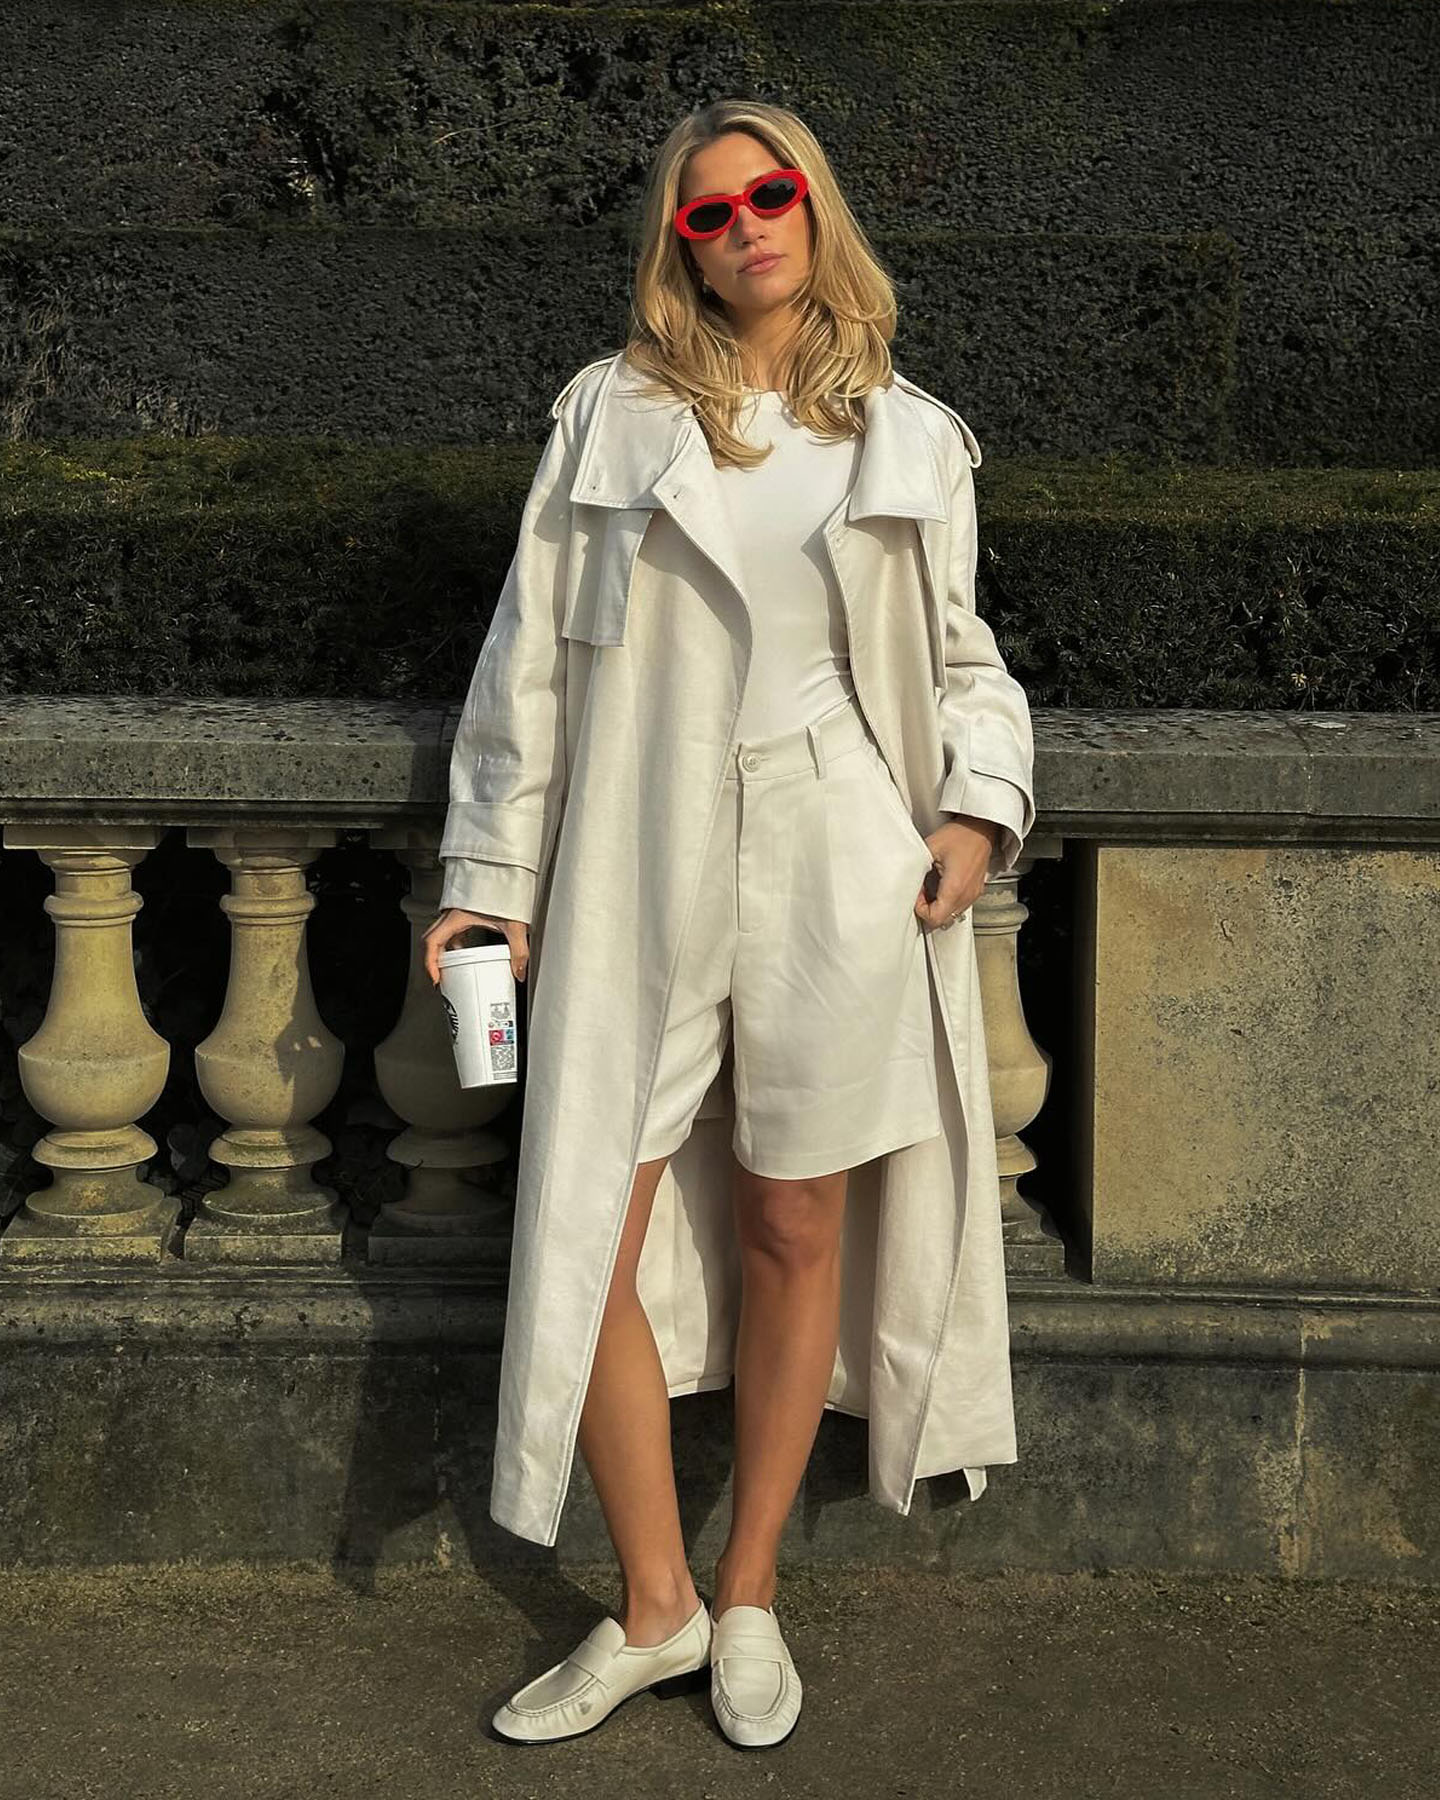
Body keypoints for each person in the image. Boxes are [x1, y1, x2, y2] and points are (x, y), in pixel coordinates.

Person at [422, 99, 1034, 1750]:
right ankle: (653, 1602)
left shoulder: (911, 436)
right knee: (585, 1221)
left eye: (774, 196)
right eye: (713, 211)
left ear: (816, 212)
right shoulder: (608, 420)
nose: (749, 225)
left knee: (794, 1224)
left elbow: (968, 662)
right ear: (677, 242)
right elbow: (526, 669)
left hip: (841, 839)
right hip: (644, 843)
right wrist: (488, 877)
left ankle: (747, 1590)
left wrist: (978, 806)